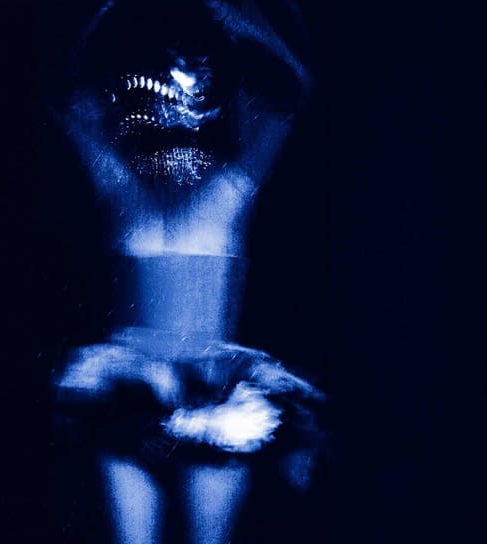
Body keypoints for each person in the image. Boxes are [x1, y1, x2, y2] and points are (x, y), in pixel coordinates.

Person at [52, 2, 326, 542]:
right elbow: (71, 104)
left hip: (211, 392)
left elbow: (293, 98)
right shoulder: (128, 195)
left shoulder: (225, 194)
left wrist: (252, 25)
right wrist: (108, 9)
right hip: (132, 392)